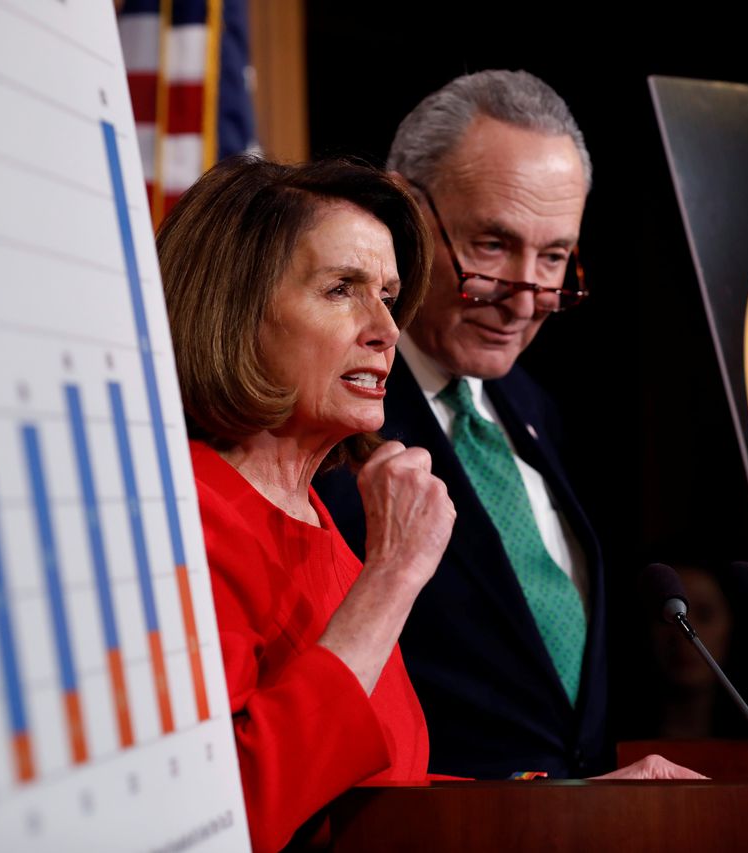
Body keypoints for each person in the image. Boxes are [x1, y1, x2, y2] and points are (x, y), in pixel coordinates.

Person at [317, 70, 697, 780]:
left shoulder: (533, 408)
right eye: (492, 244)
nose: (526, 299)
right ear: (404, 209)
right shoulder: (327, 423)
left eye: (554, 257)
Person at [157, 155, 456, 851]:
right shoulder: (186, 515)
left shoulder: (327, 529)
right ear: (233, 312)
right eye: (341, 289)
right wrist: (393, 577)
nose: (386, 326)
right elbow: (221, 815)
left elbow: (373, 792)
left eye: (388, 292)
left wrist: (577, 806)